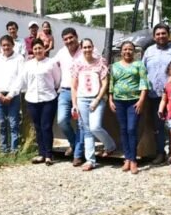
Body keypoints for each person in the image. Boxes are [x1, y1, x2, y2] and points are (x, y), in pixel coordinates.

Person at [71, 38, 116, 171]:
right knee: (86, 130)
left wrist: (97, 99)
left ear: (93, 47)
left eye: (89, 47)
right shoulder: (77, 64)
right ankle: (90, 160)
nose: (87, 50)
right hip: (82, 99)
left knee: (95, 127)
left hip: (97, 99)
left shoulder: (100, 62)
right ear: (81, 48)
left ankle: (110, 145)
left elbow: (105, 83)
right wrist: (74, 104)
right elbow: (73, 86)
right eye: (84, 47)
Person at [142, 24, 171, 164]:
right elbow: (143, 71)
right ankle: (160, 153)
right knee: (158, 126)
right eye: (158, 34)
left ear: (168, 34)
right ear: (154, 36)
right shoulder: (148, 51)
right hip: (154, 95)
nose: (161, 36)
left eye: (163, 33)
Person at [109, 41, 149, 174]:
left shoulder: (139, 65)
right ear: (121, 51)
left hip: (134, 102)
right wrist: (110, 99)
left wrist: (141, 100)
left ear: (134, 51)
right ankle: (127, 158)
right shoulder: (114, 66)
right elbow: (111, 84)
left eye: (130, 49)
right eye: (125, 49)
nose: (127, 52)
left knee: (132, 129)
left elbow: (144, 83)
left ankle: (133, 160)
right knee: (123, 129)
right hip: (119, 101)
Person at [23, 38, 61, 165]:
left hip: (48, 99)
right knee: (38, 127)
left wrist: (51, 89)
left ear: (44, 49)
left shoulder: (51, 63)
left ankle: (49, 155)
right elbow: (24, 81)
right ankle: (41, 153)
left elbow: (57, 80)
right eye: (35, 49)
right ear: (32, 51)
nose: (38, 50)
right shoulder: (28, 64)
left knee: (46, 126)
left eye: (40, 48)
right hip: (32, 99)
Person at [55, 27, 85, 166]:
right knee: (62, 121)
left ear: (76, 36)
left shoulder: (85, 49)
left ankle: (78, 155)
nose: (68, 41)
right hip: (65, 91)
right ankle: (74, 144)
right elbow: (52, 65)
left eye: (71, 38)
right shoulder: (61, 52)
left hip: (83, 92)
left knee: (81, 124)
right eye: (65, 39)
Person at [0, 35, 24, 154]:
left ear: (13, 45)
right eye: (3, 45)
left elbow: (20, 78)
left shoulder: (19, 58)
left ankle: (14, 150)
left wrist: (10, 95)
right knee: (2, 124)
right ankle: (4, 150)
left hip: (12, 96)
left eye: (8, 45)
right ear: (1, 46)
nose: (6, 47)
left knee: (13, 123)